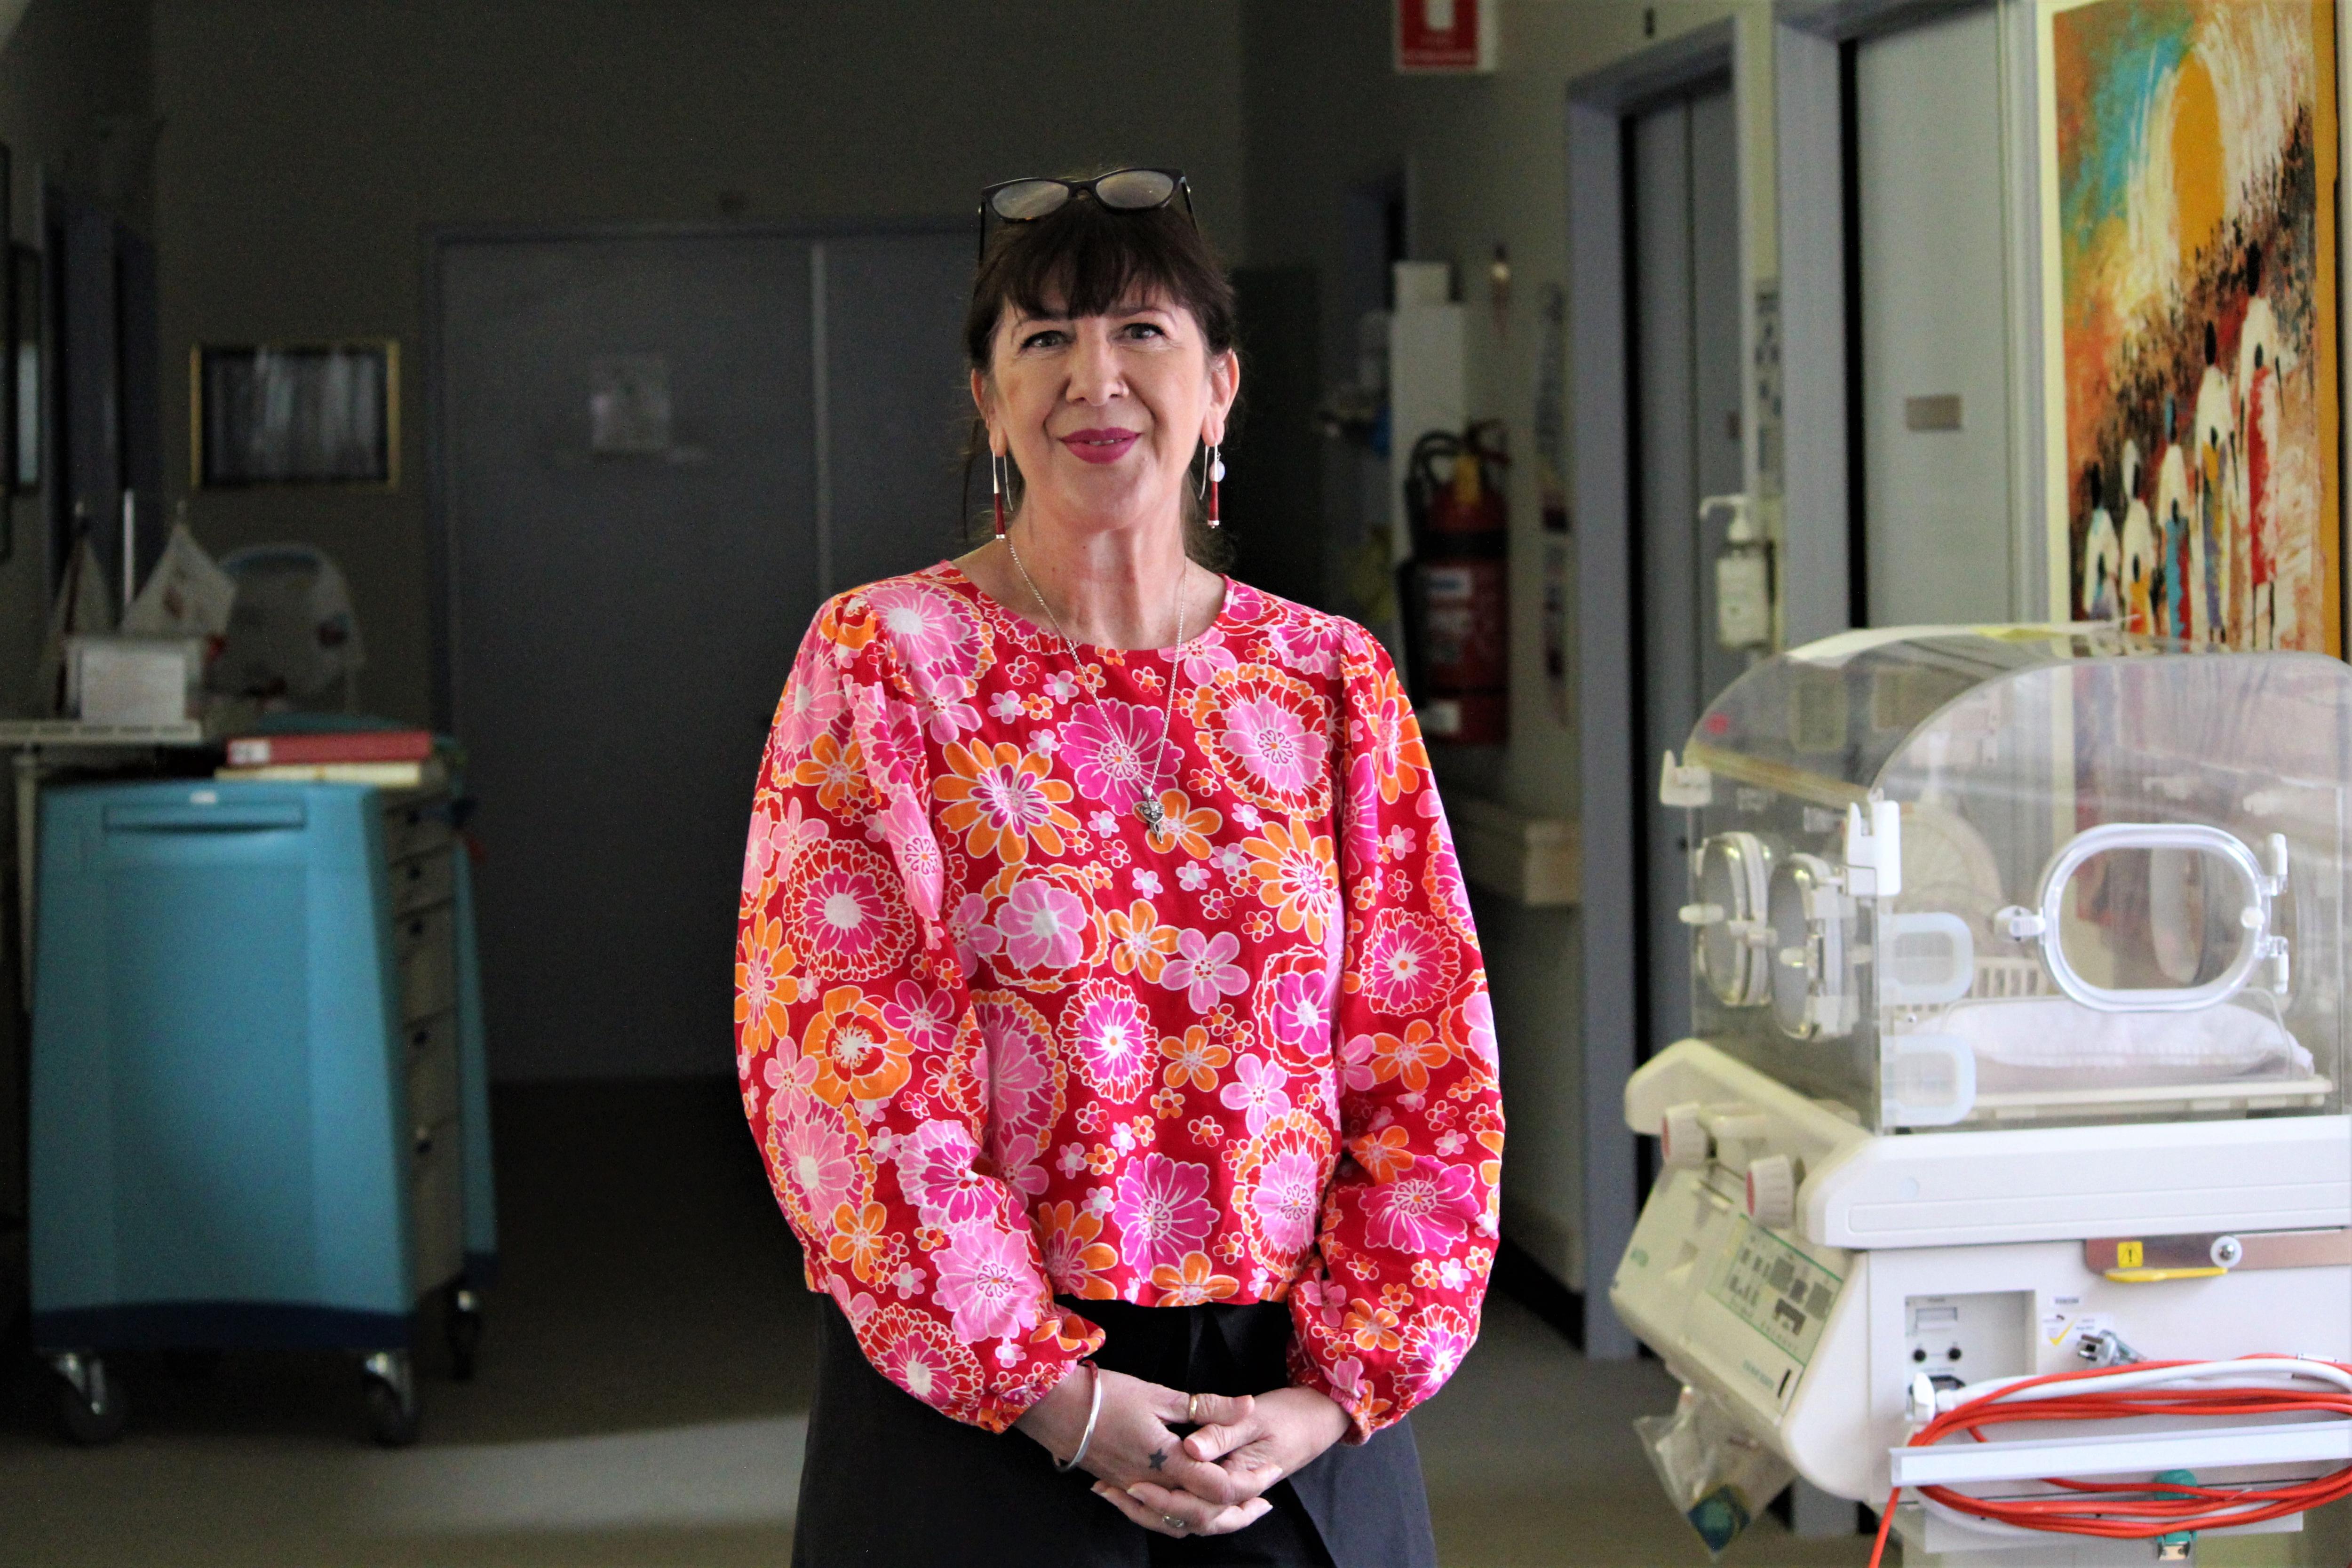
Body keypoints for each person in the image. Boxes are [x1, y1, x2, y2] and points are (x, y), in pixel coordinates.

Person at [735, 167, 1502, 1567]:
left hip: (1291, 1412)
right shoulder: (882, 661)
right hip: (982, 1405)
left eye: (1142, 333)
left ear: (1220, 387)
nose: (1097, 378)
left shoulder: (1331, 679)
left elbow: (1426, 1052)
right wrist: (1050, 1395)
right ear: (989, 399)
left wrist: (1335, 1394)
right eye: (1044, 340)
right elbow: (841, 1058)